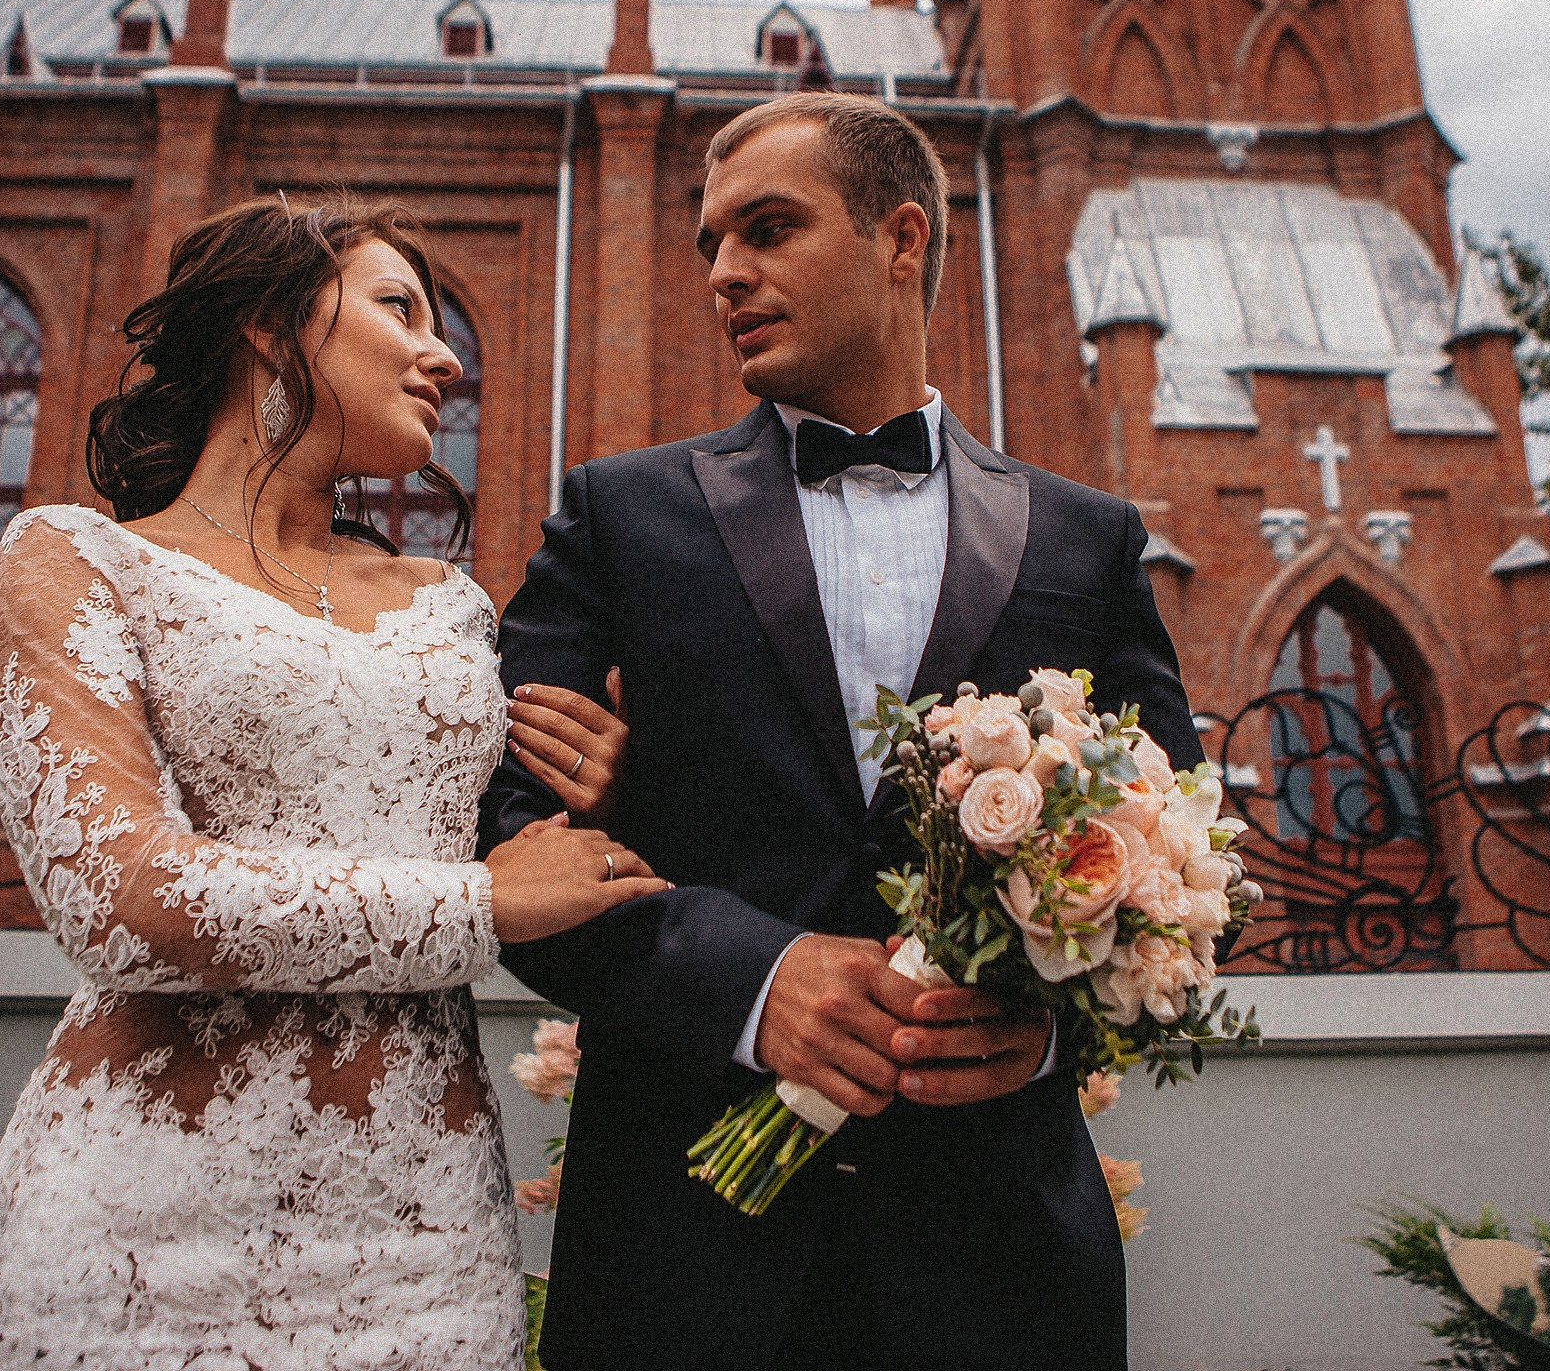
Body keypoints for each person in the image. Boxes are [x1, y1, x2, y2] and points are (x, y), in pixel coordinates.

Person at [480, 92, 1204, 1371]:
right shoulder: (617, 518)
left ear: (900, 238)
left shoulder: (1087, 541)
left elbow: (1188, 866)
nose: (723, 274)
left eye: (767, 229)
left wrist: (1044, 1035)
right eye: (710, 243)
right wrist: (751, 983)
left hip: (1001, 1269)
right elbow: (507, 838)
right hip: (684, 1256)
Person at [0, 195, 659, 1370]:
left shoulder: (452, 609)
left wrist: (610, 791)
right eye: (399, 309)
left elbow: (528, 849)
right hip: (142, 1231)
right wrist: (478, 906)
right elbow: (124, 901)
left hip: (428, 1248)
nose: (445, 356)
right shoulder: (76, 562)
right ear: (272, 328)